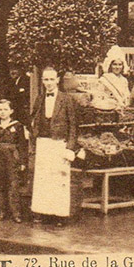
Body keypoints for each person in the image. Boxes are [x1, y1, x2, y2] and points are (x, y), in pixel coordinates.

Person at [29, 67, 83, 225]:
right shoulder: (39, 98)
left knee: (59, 179)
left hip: (60, 143)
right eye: (45, 79)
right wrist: (33, 133)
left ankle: (59, 215)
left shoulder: (66, 99)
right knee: (43, 179)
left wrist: (70, 147)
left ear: (57, 80)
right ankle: (41, 212)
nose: (49, 83)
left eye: (51, 79)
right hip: (43, 143)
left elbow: (73, 125)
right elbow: (34, 118)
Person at [0, 99, 28, 223]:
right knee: (1, 185)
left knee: (13, 185)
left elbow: (22, 144)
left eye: (5, 109)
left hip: (12, 158)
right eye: (0, 109)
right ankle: (2, 211)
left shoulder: (17, 126)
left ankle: (16, 213)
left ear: (11, 111)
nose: (3, 112)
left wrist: (22, 162)